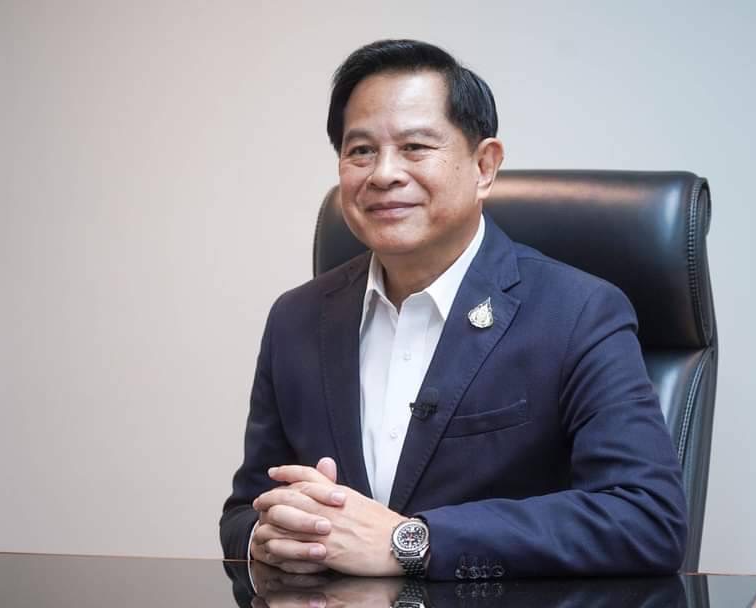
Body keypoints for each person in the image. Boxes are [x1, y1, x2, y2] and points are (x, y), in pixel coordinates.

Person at [220, 39, 686, 580]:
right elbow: (244, 511)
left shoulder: (579, 312)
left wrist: (411, 542)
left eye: (415, 147)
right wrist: (271, 534)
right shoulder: (296, 319)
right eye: (361, 151)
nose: (383, 174)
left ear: (484, 166)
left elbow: (646, 518)